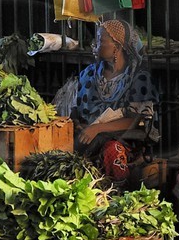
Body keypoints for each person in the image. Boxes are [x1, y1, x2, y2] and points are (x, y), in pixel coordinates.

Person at [62, 19, 159, 182]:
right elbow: (75, 110)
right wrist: (78, 123)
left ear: (117, 47)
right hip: (88, 135)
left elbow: (135, 120)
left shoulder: (138, 78)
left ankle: (118, 191)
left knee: (111, 150)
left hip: (124, 139)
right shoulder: (89, 74)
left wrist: (98, 128)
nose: (95, 44)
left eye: (100, 40)